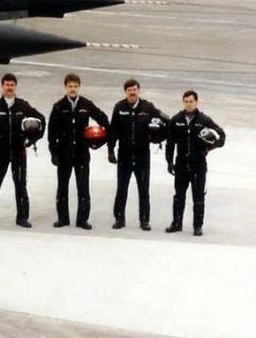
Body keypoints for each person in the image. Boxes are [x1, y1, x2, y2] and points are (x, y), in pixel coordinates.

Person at [0, 73, 46, 228]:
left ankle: (22, 217)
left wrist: (33, 139)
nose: (9, 88)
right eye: (7, 85)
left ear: (15, 86)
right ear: (2, 86)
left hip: (18, 150)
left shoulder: (23, 106)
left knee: (20, 184)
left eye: (12, 85)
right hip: (1, 150)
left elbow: (41, 120)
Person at [47, 73, 109, 229]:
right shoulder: (59, 106)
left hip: (82, 153)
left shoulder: (86, 104)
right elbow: (51, 131)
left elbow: (104, 120)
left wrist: (98, 142)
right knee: (62, 187)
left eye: (75, 86)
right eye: (70, 86)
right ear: (65, 87)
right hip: (64, 153)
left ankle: (82, 219)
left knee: (83, 187)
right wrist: (53, 152)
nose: (73, 89)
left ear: (79, 87)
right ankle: (63, 218)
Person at [106, 78, 167, 230]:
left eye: (134, 90)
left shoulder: (148, 107)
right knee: (122, 188)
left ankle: (144, 220)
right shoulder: (119, 107)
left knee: (144, 189)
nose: (132, 93)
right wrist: (111, 150)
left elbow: (166, 120)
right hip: (125, 154)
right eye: (129, 90)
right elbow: (113, 130)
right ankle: (119, 219)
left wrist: (160, 136)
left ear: (139, 90)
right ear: (125, 92)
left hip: (142, 154)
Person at [165, 90, 226, 236]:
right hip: (181, 164)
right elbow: (170, 143)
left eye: (191, 101)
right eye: (186, 101)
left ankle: (197, 226)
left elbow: (222, 136)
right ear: (183, 102)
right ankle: (176, 223)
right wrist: (169, 161)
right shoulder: (176, 120)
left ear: (196, 102)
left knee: (198, 196)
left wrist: (209, 147)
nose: (188, 104)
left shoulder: (204, 119)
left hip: (198, 165)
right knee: (179, 195)